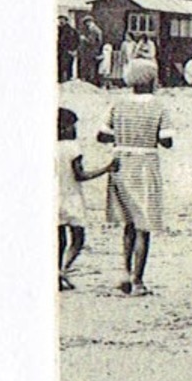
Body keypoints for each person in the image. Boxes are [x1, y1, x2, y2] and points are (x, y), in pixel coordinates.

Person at [100, 59, 173, 296]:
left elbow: (101, 135)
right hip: (145, 164)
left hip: (120, 163)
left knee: (128, 223)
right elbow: (166, 140)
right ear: (152, 80)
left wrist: (123, 138)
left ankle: (124, 272)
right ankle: (138, 280)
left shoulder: (118, 103)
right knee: (145, 224)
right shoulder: (159, 106)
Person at [57, 107, 118, 290]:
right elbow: (80, 175)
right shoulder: (73, 147)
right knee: (77, 238)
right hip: (72, 197)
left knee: (58, 240)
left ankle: (56, 271)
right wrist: (106, 168)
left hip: (53, 198)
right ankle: (63, 270)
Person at [79, 17, 104, 85]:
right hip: (94, 50)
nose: (86, 25)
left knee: (91, 66)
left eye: (87, 22)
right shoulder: (95, 30)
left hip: (92, 51)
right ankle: (92, 80)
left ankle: (91, 81)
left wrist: (84, 39)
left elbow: (92, 42)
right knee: (91, 66)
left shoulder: (94, 30)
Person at [58, 16, 79, 82]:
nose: (61, 21)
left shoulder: (71, 30)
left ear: (66, 21)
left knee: (67, 65)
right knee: (60, 65)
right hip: (60, 50)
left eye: (62, 20)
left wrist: (73, 50)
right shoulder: (58, 29)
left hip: (68, 50)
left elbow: (75, 40)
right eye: (60, 20)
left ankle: (68, 79)